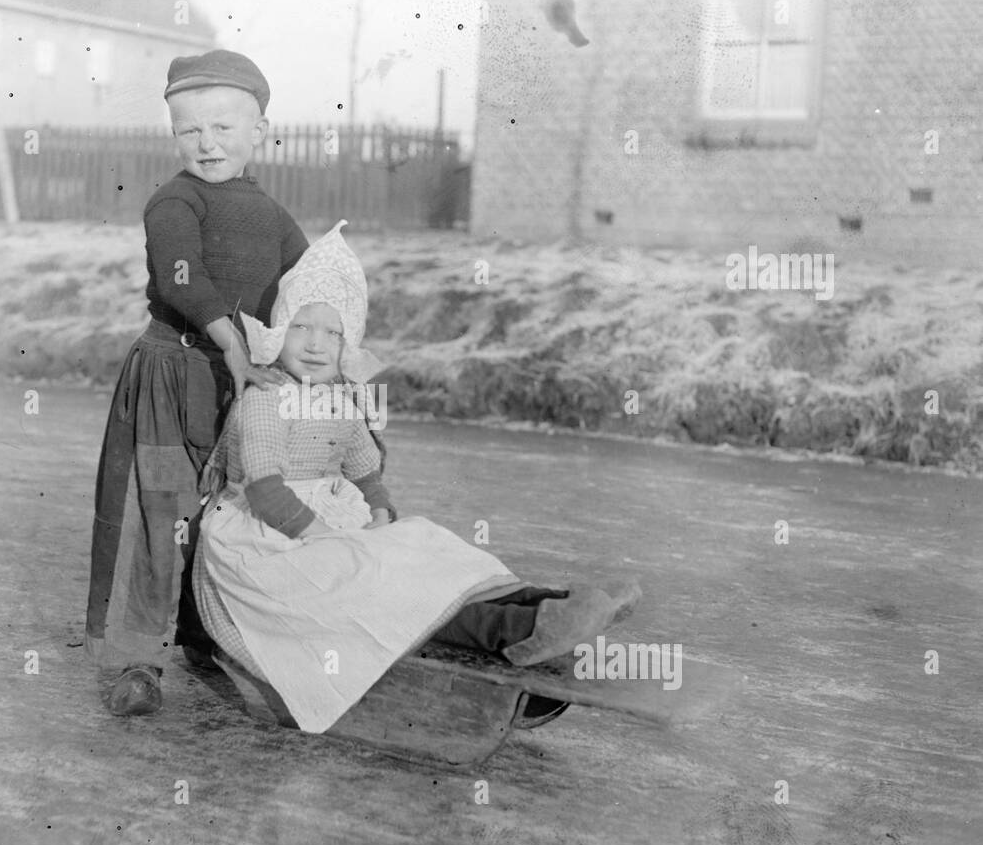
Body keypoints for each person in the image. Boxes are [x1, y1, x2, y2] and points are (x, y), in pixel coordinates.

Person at [192, 220, 641, 734]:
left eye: (331, 332)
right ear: (278, 332)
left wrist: (378, 504)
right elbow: (264, 487)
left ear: (348, 343)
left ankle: (546, 601)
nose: (315, 344)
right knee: (372, 580)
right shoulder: (266, 399)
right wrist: (324, 534)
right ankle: (518, 630)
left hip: (326, 520)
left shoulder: (340, 398)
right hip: (265, 539)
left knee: (426, 545)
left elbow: (363, 462)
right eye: (301, 327)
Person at [86, 50, 308, 716]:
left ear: (260, 131)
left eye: (223, 128)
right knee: (163, 514)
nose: (206, 144)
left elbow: (307, 289)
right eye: (190, 130)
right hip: (172, 374)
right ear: (173, 134)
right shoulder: (173, 201)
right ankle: (137, 659)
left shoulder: (270, 215)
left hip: (237, 383)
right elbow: (184, 275)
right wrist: (232, 342)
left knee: (231, 513)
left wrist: (327, 352)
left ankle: (210, 629)